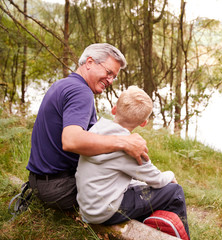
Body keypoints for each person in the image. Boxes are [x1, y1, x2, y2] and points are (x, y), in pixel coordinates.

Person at [27, 43, 149, 210]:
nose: (110, 80)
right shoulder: (81, 92)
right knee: (150, 194)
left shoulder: (63, 84)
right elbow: (71, 140)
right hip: (59, 188)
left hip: (39, 183)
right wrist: (125, 142)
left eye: (114, 76)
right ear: (90, 62)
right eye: (108, 72)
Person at [76, 86, 190, 238]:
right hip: (104, 211)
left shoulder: (97, 130)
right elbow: (156, 180)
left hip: (88, 205)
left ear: (114, 109)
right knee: (175, 192)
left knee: (141, 187)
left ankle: (157, 225)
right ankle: (178, 235)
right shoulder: (130, 147)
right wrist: (170, 175)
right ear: (143, 123)